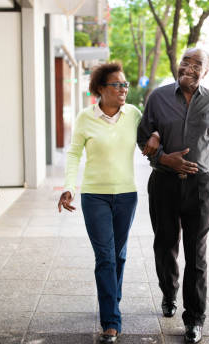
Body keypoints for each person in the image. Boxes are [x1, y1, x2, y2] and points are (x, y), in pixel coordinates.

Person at [137, 48, 209, 344]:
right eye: (185, 62)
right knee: (165, 245)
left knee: (196, 253)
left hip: (200, 186)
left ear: (206, 71)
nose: (189, 67)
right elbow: (143, 136)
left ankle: (195, 319)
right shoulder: (158, 97)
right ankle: (168, 291)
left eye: (197, 64)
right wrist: (164, 158)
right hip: (163, 183)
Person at [58, 62, 155, 343]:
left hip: (126, 195)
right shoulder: (86, 118)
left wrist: (156, 135)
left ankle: (111, 297)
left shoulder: (134, 114)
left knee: (119, 254)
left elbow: (151, 134)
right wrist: (68, 187)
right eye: (117, 85)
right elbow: (75, 153)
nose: (124, 89)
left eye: (125, 84)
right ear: (101, 89)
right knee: (106, 257)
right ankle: (111, 321)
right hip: (94, 196)